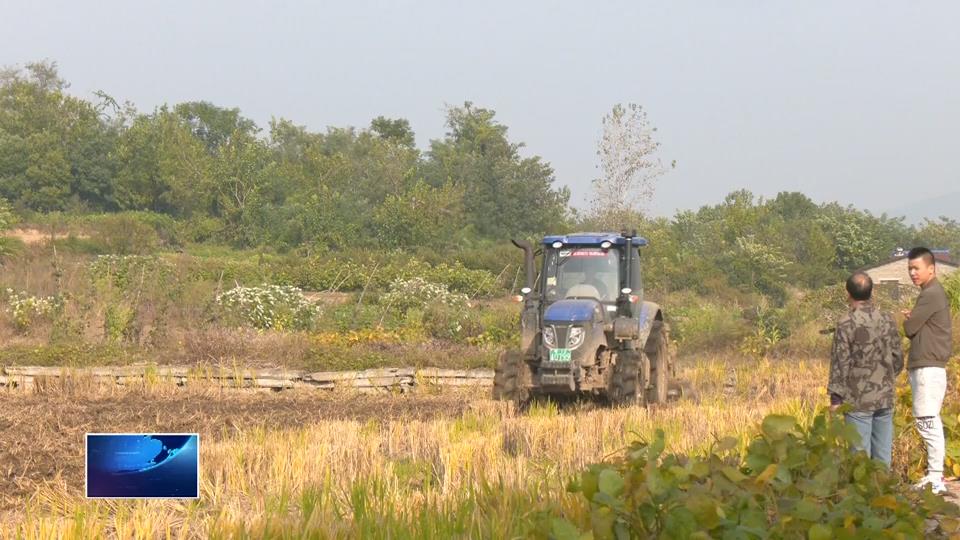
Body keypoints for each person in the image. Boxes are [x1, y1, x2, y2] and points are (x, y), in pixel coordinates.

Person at [828, 271, 904, 467]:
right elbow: (898, 358)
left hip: (857, 399)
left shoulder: (846, 322)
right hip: (885, 396)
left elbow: (840, 362)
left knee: (859, 460)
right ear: (872, 292)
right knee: (882, 460)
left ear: (848, 293)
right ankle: (884, 495)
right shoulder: (887, 319)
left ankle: (864, 497)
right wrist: (885, 377)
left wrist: (836, 399)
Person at [902, 247, 953, 494]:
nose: (913, 273)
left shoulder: (930, 294)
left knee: (927, 420)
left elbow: (910, 329)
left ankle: (935, 476)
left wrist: (909, 320)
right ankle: (935, 475)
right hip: (929, 365)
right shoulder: (930, 293)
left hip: (928, 367)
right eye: (910, 268)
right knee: (929, 418)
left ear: (931, 269)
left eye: (916, 268)